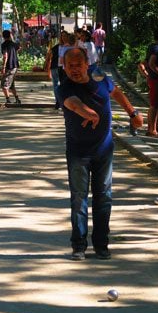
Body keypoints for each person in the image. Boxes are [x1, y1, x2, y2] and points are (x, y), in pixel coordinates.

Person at [56, 47, 143, 261]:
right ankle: (79, 245)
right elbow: (74, 105)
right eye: (70, 66)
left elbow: (116, 92)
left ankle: (102, 245)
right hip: (78, 151)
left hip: (104, 149)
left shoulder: (99, 76)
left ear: (87, 64)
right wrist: (89, 113)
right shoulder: (64, 87)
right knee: (79, 198)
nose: (74, 70)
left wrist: (133, 112)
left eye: (78, 65)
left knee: (104, 197)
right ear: (64, 67)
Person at [141, 29, 158, 137]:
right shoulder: (157, 49)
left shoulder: (151, 47)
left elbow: (145, 62)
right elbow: (151, 63)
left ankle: (152, 129)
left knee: (155, 105)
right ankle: (152, 130)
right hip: (156, 79)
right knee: (154, 105)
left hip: (152, 78)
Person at [0, 29, 21, 105]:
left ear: (3, 36)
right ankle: (17, 99)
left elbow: (5, 56)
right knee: (11, 84)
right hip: (15, 65)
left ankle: (8, 100)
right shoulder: (14, 44)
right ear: (10, 35)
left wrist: (3, 67)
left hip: (9, 66)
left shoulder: (4, 45)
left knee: (4, 85)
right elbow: (19, 48)